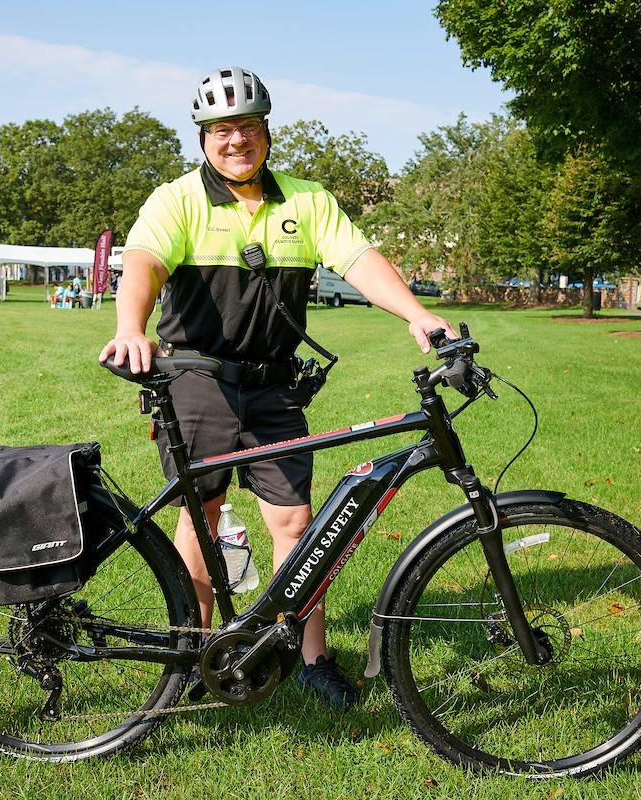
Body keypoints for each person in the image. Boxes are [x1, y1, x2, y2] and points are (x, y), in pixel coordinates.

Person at [99, 66, 457, 709]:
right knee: (200, 520)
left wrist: (418, 313)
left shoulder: (306, 200)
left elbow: (361, 261)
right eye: (220, 130)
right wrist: (133, 326)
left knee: (296, 521)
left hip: (273, 388)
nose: (235, 141)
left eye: (246, 127)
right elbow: (144, 263)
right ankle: (194, 651)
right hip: (197, 381)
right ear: (204, 137)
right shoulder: (177, 199)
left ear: (266, 131)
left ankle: (312, 656)